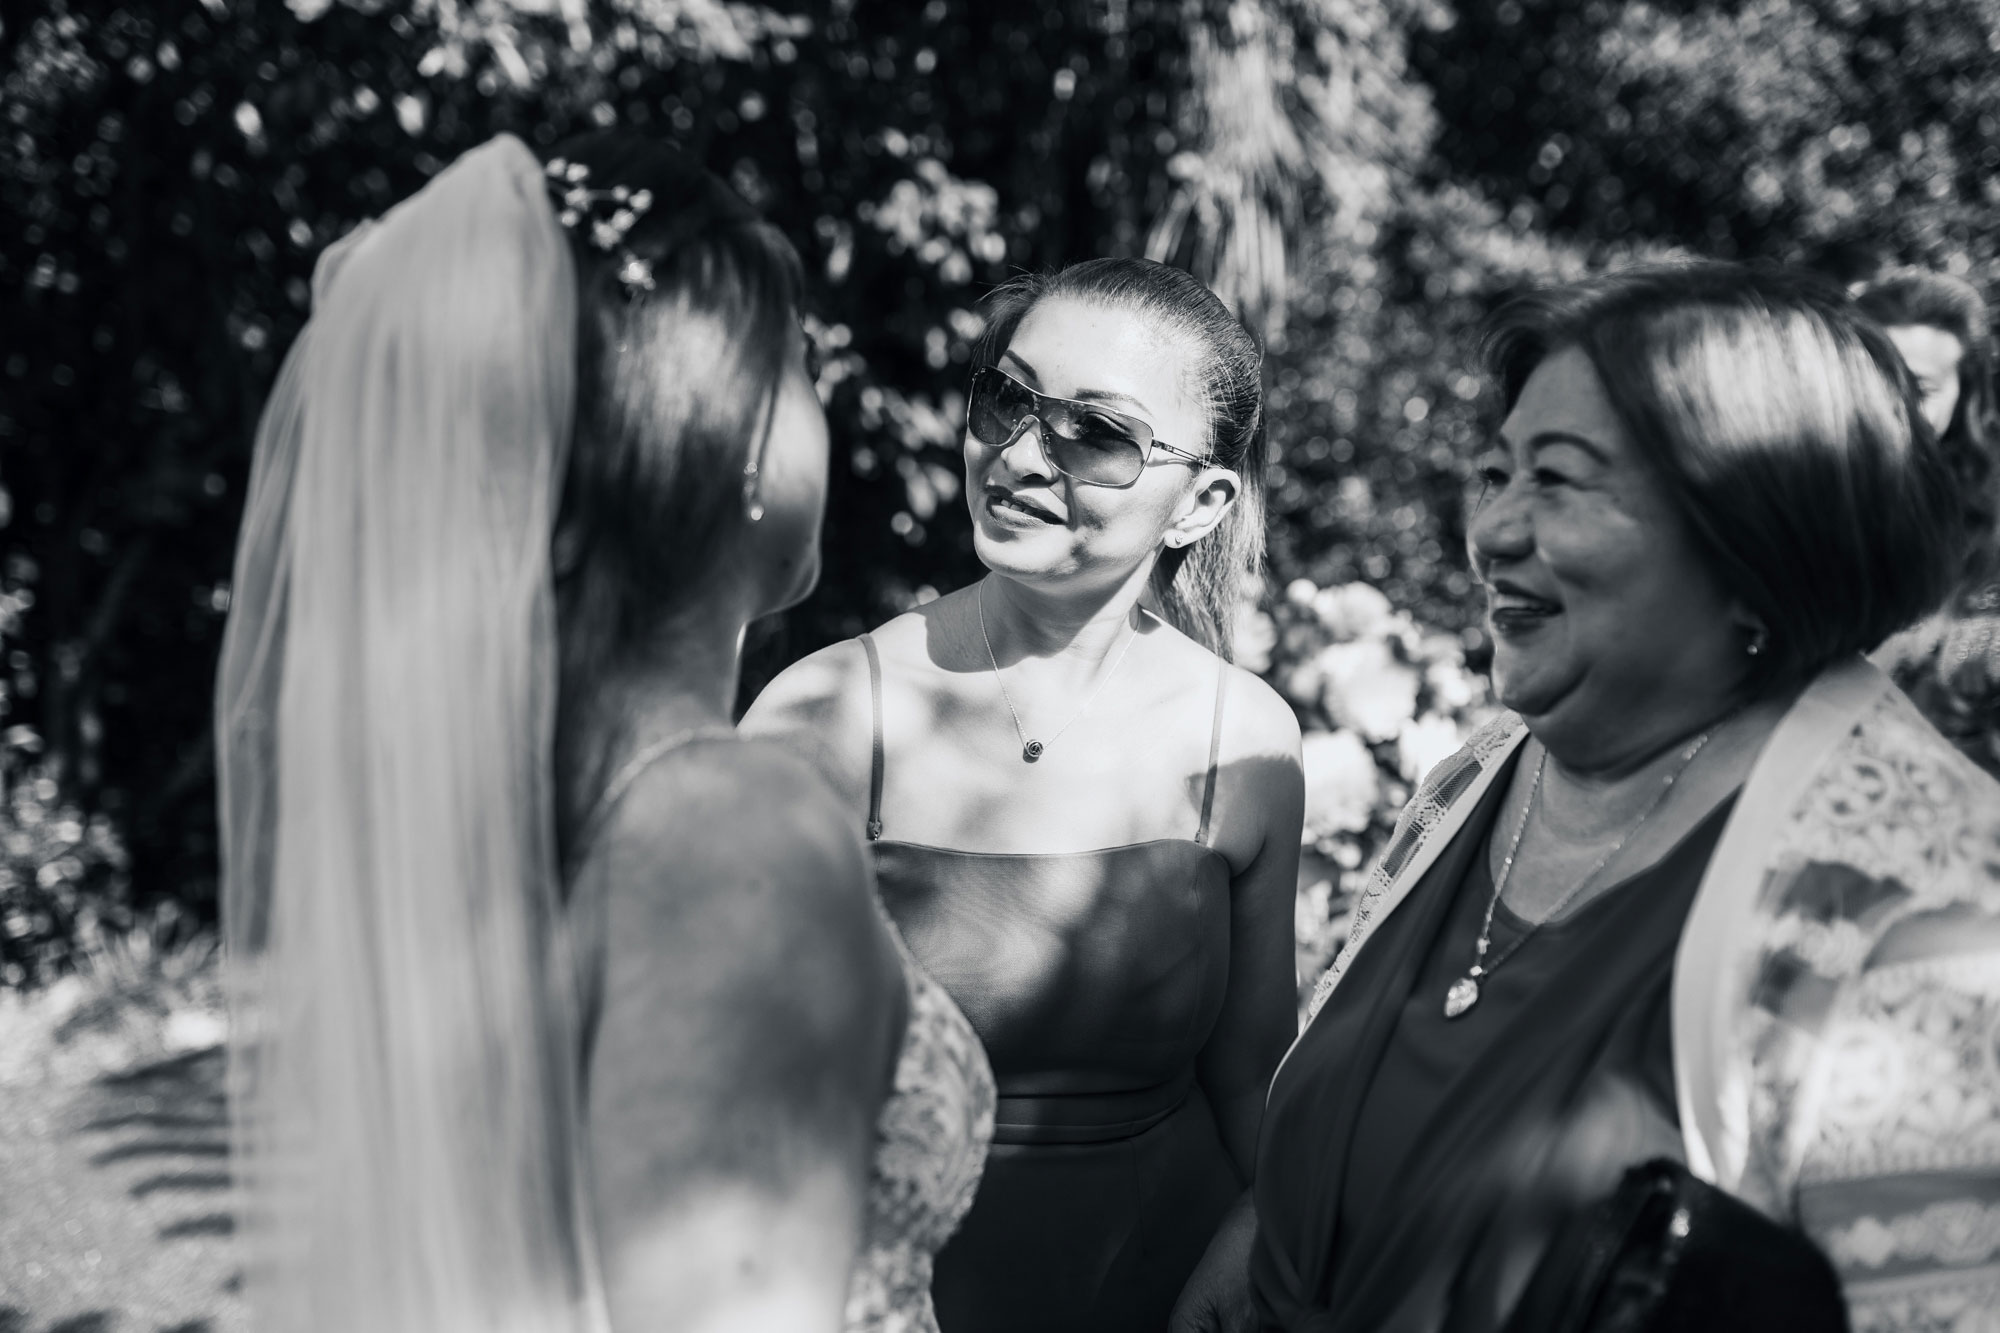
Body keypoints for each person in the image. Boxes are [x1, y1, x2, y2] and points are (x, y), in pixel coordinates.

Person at [215, 132, 991, 1333]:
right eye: (799, 364)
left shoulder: (477, 826)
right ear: (725, 422)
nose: (822, 415)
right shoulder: (730, 832)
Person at [1171, 263, 2000, 1332]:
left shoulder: (1917, 898)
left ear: (1756, 537)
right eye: (1495, 472)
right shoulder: (1475, 773)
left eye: (1557, 481)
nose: (1492, 533)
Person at [743, 257, 1304, 1333]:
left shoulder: (1245, 740)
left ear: (1200, 502)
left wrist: (1267, 1263)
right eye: (1006, 397)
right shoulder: (829, 714)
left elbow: (1249, 1087)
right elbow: (721, 1086)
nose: (1017, 452)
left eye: (1094, 431)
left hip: (1160, 1292)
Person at [1857, 269, 2000, 776]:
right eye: (1873, 375)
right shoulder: (1775, 491)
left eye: (1920, 388)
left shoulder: (1990, 527)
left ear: (1965, 395)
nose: (1892, 404)